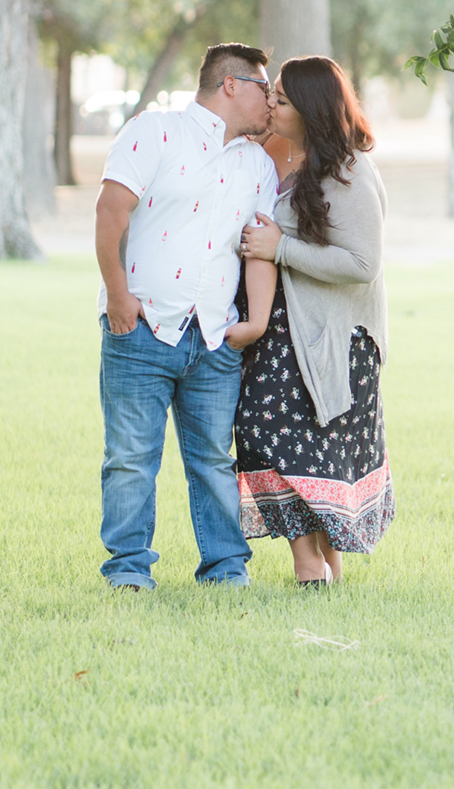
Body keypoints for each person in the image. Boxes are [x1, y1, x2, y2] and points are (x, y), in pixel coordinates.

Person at [93, 44, 280, 591]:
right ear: (231, 84)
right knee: (130, 458)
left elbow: (259, 248)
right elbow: (110, 211)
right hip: (141, 327)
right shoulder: (153, 132)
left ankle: (226, 568)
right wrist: (118, 297)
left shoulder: (257, 164)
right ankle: (129, 570)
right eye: (265, 89)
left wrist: (256, 323)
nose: (271, 101)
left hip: (215, 336)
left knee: (214, 461)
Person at [234, 56, 392, 588]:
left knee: (291, 439)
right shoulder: (299, 159)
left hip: (334, 342)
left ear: (311, 108)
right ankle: (325, 568)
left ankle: (312, 567)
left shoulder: (350, 171)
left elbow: (363, 264)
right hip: (291, 334)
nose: (271, 104)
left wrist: (281, 248)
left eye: (281, 98)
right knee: (282, 438)